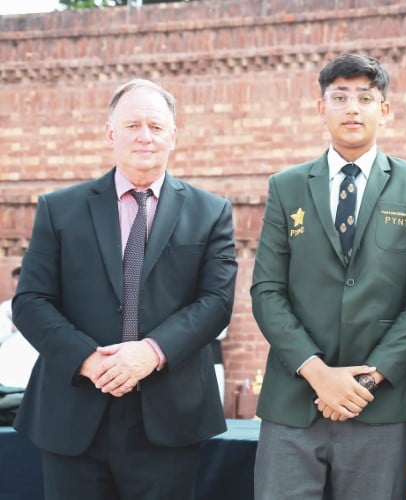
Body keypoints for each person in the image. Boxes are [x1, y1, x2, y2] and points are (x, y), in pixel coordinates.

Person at [12, 79, 237, 500]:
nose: (144, 136)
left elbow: (216, 303)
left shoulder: (211, 212)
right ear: (110, 133)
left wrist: (151, 352)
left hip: (169, 417)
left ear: (173, 136)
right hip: (74, 409)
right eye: (132, 125)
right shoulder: (59, 209)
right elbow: (30, 301)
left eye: (156, 126)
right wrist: (87, 359)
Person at [251, 53, 406, 499]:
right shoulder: (286, 185)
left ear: (385, 110)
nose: (352, 108)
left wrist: (369, 378)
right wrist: (318, 373)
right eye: (339, 97)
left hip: (381, 406)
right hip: (294, 402)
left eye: (365, 97)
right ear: (322, 109)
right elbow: (266, 291)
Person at [0, 265, 38, 388]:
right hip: (10, 353)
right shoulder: (6, 307)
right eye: (16, 279)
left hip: (33, 352)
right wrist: (14, 327)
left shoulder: (40, 306)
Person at [0, 266, 20, 345]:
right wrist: (13, 329)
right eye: (17, 278)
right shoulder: (5, 307)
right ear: (12, 281)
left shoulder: (38, 306)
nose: (20, 282)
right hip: (8, 348)